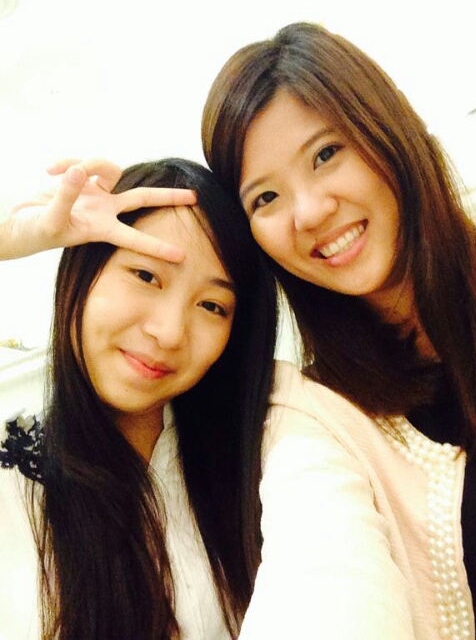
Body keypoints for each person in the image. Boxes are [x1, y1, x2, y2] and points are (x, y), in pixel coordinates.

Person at [201, 22, 476, 639]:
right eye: (265, 198)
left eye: (326, 154)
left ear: (385, 127)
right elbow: (321, 576)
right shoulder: (315, 416)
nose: (310, 212)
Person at [0, 157, 277, 640]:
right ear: (83, 269)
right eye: (146, 276)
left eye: (212, 305)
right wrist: (14, 236)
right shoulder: (13, 479)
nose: (169, 332)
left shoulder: (266, 456)